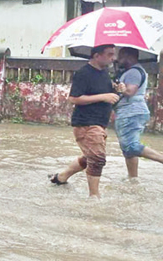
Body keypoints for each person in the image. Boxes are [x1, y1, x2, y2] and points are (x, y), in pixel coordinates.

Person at [50, 44, 120, 197]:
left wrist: (116, 89)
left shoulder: (106, 72)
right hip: (86, 123)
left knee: (90, 157)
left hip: (100, 122)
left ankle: (61, 177)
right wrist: (103, 97)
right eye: (109, 54)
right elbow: (74, 98)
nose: (113, 58)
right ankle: (94, 197)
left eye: (113, 54)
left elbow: (106, 93)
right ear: (96, 56)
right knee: (97, 159)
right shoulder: (84, 73)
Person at [113, 47, 163, 177]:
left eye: (121, 56)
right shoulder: (132, 71)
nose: (118, 59)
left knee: (131, 146)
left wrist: (120, 88)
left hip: (131, 112)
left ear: (130, 56)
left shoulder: (133, 72)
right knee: (128, 148)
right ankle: (132, 177)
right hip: (131, 111)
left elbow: (130, 91)